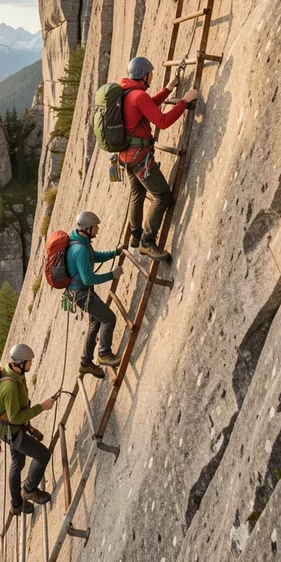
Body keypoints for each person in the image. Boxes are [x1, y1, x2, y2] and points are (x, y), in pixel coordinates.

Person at [119, 56, 198, 261]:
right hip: (139, 158)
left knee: (137, 193)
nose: (152, 76)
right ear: (143, 75)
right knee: (162, 196)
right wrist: (184, 101)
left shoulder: (127, 93)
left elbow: (149, 105)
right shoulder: (138, 96)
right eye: (150, 73)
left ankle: (136, 235)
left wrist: (168, 89)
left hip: (126, 157)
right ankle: (147, 242)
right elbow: (162, 121)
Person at [0, 343, 56, 514]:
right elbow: (15, 417)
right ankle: (29, 490)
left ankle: (16, 505)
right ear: (20, 363)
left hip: (10, 429)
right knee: (43, 455)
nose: (31, 363)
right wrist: (42, 407)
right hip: (12, 431)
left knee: (18, 463)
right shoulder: (10, 387)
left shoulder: (13, 373)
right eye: (29, 361)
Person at [66, 210, 126, 379]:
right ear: (87, 228)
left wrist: (114, 253)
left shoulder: (80, 242)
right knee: (109, 318)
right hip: (81, 294)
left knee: (95, 323)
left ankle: (86, 363)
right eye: (95, 226)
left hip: (79, 292)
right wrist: (112, 275)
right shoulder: (80, 249)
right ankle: (104, 354)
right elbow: (89, 278)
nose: (98, 229)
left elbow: (94, 256)